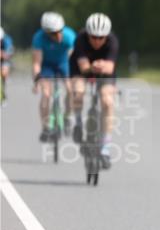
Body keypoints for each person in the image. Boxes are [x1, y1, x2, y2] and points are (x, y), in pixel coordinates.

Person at [72, 13, 119, 164]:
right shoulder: (80, 39)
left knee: (108, 102)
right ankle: (78, 123)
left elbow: (110, 68)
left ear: (107, 36)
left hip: (105, 71)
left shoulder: (112, 41)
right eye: (93, 37)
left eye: (101, 37)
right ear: (88, 34)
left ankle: (105, 147)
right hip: (82, 68)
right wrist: (93, 66)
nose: (97, 41)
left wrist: (102, 66)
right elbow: (83, 67)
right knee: (78, 92)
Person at [31, 12, 76, 141]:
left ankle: (68, 115)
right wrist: (36, 80)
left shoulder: (69, 36)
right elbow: (36, 63)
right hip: (47, 65)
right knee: (46, 94)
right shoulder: (39, 38)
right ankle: (46, 127)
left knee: (70, 90)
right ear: (46, 32)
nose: (58, 35)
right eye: (53, 33)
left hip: (64, 63)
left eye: (60, 31)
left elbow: (74, 58)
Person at [0, 26, 13, 105]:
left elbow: (8, 55)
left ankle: (4, 93)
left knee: (4, 73)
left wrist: (2, 54)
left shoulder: (7, 40)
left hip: (5, 60)